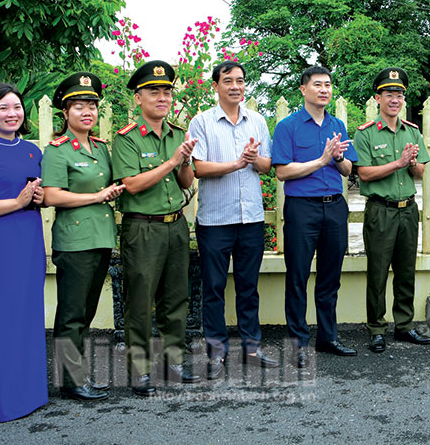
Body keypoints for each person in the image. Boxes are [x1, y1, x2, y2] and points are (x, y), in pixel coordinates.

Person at [111, 60, 201, 396]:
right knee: (140, 299)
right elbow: (132, 184)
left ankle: (173, 362)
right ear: (138, 98)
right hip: (143, 229)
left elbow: (185, 181)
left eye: (166, 91)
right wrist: (172, 161)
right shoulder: (127, 139)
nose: (162, 97)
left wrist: (186, 161)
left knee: (176, 297)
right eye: (153, 91)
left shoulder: (177, 134)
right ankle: (140, 371)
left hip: (175, 225)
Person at [189, 60, 277, 379]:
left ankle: (251, 349)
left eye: (240, 80)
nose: (236, 86)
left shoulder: (257, 121)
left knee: (248, 287)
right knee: (213, 287)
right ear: (216, 86)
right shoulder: (202, 123)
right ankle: (215, 353)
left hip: (250, 218)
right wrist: (236, 163)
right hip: (215, 220)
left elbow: (267, 166)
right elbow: (197, 168)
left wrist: (254, 160)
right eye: (228, 81)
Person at [42, 73, 124, 400]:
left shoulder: (101, 147)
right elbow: (52, 195)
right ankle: (69, 380)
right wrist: (96, 196)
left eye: (91, 105)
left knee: (86, 312)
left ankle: (76, 375)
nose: (87, 111)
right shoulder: (58, 150)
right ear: (66, 112)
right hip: (75, 242)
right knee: (72, 314)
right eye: (79, 106)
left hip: (100, 238)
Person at [0, 84, 47, 421]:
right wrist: (16, 202)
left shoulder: (34, 151)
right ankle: (0, 396)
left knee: (26, 316)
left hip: (28, 240)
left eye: (16, 107)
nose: (12, 113)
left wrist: (39, 198)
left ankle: (29, 393)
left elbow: (40, 192)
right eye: (3, 108)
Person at [273, 66, 358, 362]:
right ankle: (297, 343)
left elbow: (349, 170)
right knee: (297, 276)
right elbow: (283, 171)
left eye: (328, 85)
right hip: (302, 209)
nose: (324, 90)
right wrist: (321, 160)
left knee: (330, 277)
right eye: (318, 85)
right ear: (303, 89)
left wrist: (338, 158)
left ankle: (328, 337)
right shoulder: (288, 126)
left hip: (334, 206)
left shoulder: (338, 125)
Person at [355, 67, 430, 353]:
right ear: (378, 98)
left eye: (399, 94)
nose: (395, 99)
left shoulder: (411, 131)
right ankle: (376, 328)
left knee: (405, 271)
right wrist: (398, 163)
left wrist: (411, 163)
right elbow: (364, 174)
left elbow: (421, 171)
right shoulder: (365, 134)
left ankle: (404, 325)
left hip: (407, 211)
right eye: (389, 93)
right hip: (380, 210)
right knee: (377, 272)